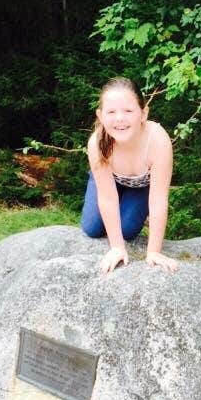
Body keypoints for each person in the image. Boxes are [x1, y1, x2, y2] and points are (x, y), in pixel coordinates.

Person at [80, 77, 179, 274]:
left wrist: (154, 252)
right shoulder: (97, 143)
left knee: (127, 230)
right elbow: (107, 198)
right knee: (92, 228)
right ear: (100, 116)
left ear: (143, 113)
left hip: (141, 187)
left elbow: (159, 199)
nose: (119, 119)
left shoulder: (157, 140)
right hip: (109, 183)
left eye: (128, 111)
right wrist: (116, 248)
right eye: (111, 112)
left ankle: (133, 212)